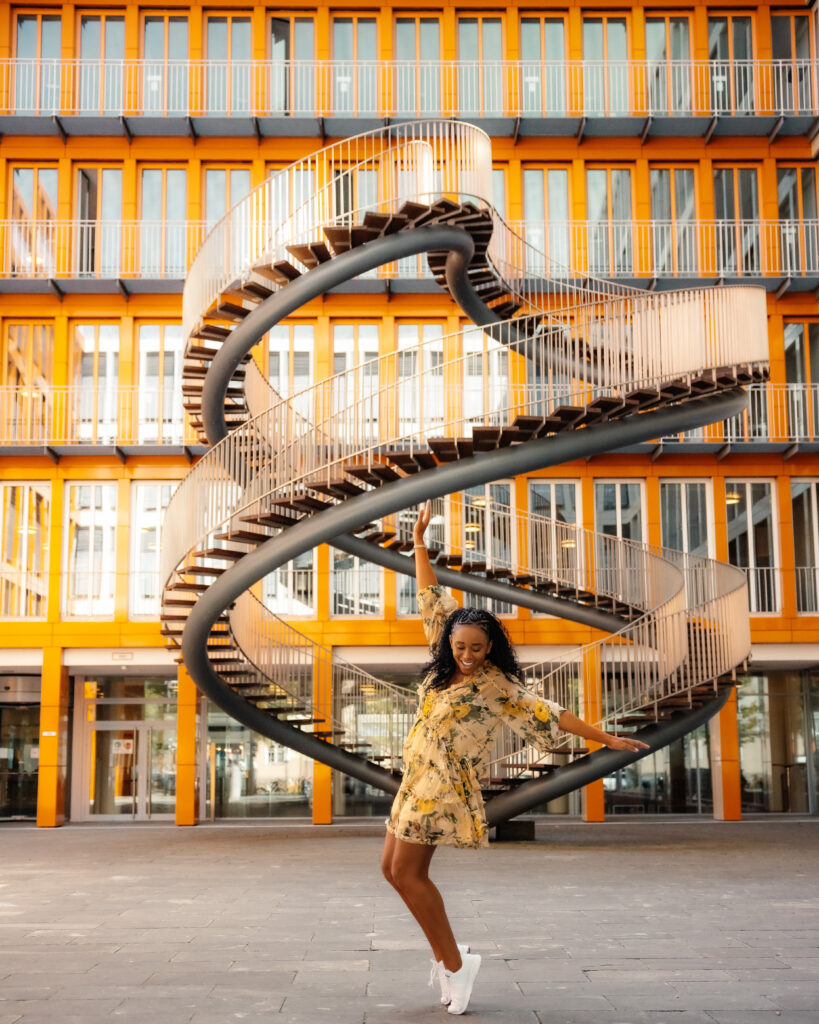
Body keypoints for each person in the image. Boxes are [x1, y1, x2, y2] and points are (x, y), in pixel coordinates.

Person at [381, 500, 651, 1015]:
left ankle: (457, 967)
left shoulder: (496, 684)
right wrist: (418, 540)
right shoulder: (443, 663)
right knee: (391, 870)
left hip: (440, 784)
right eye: (460, 645)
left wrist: (606, 738)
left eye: (477, 647)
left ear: (490, 647)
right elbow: (428, 593)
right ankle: (446, 960)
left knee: (410, 874)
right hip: (415, 776)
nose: (467, 653)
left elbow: (550, 713)